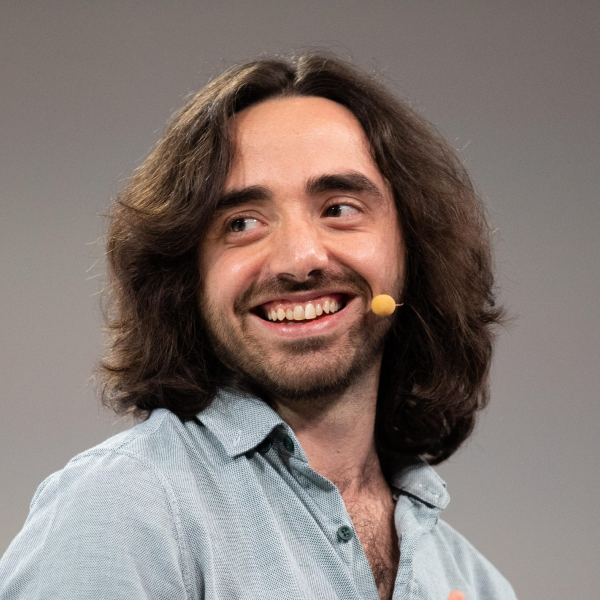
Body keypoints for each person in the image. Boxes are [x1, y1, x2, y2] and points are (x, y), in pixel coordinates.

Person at [0, 52, 516, 600]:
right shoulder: (121, 511)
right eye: (242, 223)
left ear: (415, 247)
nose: (299, 259)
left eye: (339, 209)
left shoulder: (474, 584)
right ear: (188, 276)